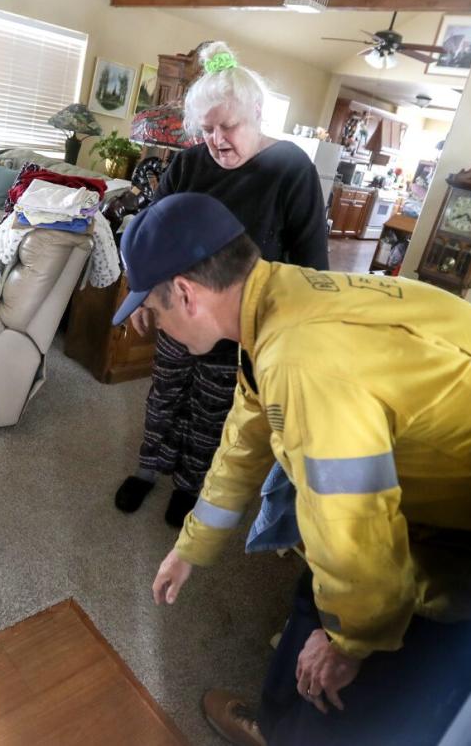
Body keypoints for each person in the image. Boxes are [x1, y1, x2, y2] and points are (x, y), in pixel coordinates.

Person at [111, 194, 471, 745]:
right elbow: (247, 433)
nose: (156, 327)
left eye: (154, 311)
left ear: (185, 292)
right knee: (321, 589)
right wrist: (193, 545)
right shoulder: (278, 298)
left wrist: (349, 642)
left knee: (356, 681)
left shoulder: (302, 359)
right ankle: (276, 722)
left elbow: (353, 528)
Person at [114, 41, 328, 528]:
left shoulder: (291, 168)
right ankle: (149, 468)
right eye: (206, 129)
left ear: (256, 113)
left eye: (227, 126)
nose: (216, 140)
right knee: (165, 393)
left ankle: (191, 483)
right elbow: (149, 228)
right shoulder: (189, 165)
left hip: (239, 322)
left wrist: (295, 332)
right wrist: (142, 293)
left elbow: (312, 261)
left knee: (214, 411)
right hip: (177, 309)